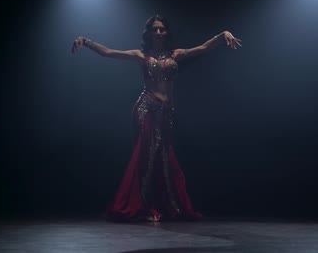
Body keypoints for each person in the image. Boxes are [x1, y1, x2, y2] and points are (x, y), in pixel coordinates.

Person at [71, 15, 242, 222]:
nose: (159, 32)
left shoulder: (175, 54)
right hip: (146, 108)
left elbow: (202, 48)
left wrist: (223, 35)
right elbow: (108, 53)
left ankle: (166, 204)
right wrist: (85, 41)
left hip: (166, 112)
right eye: (155, 29)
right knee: (147, 156)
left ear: (167, 32)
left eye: (162, 29)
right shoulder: (141, 55)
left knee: (163, 157)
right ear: (149, 33)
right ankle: (144, 206)